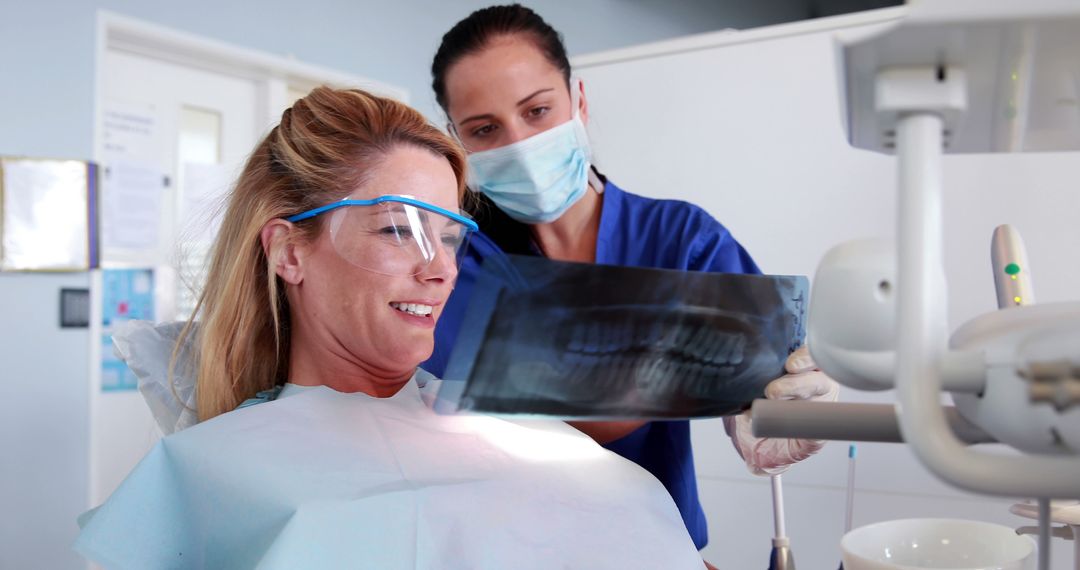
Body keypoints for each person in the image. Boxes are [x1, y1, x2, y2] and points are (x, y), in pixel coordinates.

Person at [74, 86, 710, 569]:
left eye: (450, 236)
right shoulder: (209, 475)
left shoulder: (527, 435)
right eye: (397, 231)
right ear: (289, 252)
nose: (440, 272)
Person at [423, 3, 840, 554]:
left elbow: (761, 387)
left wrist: (782, 410)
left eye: (538, 111)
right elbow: (426, 434)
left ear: (579, 101)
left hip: (654, 549)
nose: (519, 143)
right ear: (457, 139)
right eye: (485, 129)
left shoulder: (680, 240)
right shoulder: (447, 266)